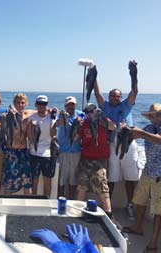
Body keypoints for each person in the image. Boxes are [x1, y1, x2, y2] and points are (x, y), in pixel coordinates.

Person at [122, 103, 161, 252]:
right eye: (152, 115)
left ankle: (153, 242)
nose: (154, 118)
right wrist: (123, 129)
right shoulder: (148, 128)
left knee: (158, 210)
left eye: (158, 115)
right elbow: (134, 134)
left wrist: (141, 133)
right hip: (148, 171)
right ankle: (138, 227)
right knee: (140, 201)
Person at [93, 61, 140, 219]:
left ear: (121, 97)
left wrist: (133, 74)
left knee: (130, 178)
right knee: (111, 178)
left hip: (128, 144)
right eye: (112, 95)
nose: (115, 98)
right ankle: (108, 207)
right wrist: (94, 74)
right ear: (109, 97)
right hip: (112, 146)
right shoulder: (105, 106)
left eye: (118, 96)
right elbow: (97, 94)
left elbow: (134, 91)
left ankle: (130, 205)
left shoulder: (127, 105)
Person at [76, 103, 116, 218]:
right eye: (86, 112)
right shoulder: (84, 124)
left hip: (99, 160)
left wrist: (102, 118)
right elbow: (76, 137)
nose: (88, 114)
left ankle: (109, 214)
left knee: (102, 187)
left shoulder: (103, 121)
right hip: (86, 159)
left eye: (90, 112)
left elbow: (113, 127)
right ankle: (78, 212)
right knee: (82, 186)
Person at [2, 93, 34, 194]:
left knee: (27, 181)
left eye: (22, 102)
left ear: (26, 104)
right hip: (11, 151)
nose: (20, 105)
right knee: (9, 182)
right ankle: (5, 206)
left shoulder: (27, 116)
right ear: (14, 103)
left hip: (24, 151)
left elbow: (39, 111)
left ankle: (28, 205)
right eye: (17, 102)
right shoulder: (8, 115)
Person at [28, 95, 57, 197]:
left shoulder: (52, 117)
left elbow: (53, 134)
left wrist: (54, 117)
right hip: (34, 153)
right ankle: (34, 202)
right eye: (39, 104)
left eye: (44, 104)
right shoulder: (32, 118)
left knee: (47, 181)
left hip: (48, 154)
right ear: (36, 105)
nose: (41, 106)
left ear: (47, 105)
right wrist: (31, 127)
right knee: (34, 181)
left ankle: (46, 202)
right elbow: (29, 137)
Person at [56, 96, 85, 199]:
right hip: (62, 151)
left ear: (75, 105)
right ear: (65, 106)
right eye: (68, 105)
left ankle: (71, 200)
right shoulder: (61, 114)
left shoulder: (81, 115)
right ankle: (60, 199)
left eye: (72, 104)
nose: (71, 106)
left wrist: (81, 123)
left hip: (75, 151)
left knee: (73, 179)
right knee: (61, 179)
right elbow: (55, 123)